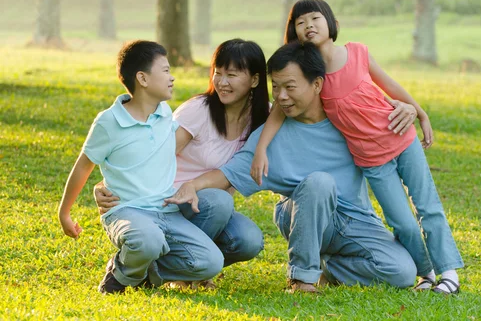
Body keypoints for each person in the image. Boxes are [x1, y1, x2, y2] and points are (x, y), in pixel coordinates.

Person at [164, 41, 418, 294]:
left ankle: (329, 269)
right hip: (300, 212)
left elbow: (379, 107)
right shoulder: (267, 136)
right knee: (319, 182)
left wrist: (409, 108)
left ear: (317, 84)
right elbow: (229, 172)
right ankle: (302, 279)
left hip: (354, 219)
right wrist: (193, 185)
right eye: (276, 87)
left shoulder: (346, 119)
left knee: (402, 272)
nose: (282, 96)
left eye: (290, 87)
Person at [250, 0, 463, 294]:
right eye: (300, 22)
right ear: (294, 33)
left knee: (428, 207)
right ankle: (426, 274)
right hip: (371, 160)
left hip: (401, 139)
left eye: (315, 18)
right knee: (402, 222)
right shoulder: (311, 77)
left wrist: (419, 112)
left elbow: (390, 85)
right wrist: (260, 149)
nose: (309, 25)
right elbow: (277, 112)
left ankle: (449, 275)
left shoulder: (357, 53)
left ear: (332, 23)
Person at [93, 39, 269, 286]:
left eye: (232, 74)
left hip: (209, 208)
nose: (222, 82)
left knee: (249, 240)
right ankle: (168, 264)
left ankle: (159, 269)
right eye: (218, 73)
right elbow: (148, 154)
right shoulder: (199, 110)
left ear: (254, 80)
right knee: (220, 200)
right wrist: (105, 184)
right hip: (169, 202)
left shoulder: (263, 119)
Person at [58, 40, 223, 294]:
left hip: (166, 211)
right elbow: (83, 166)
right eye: (166, 70)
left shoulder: (165, 113)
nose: (173, 77)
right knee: (148, 239)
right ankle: (121, 274)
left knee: (211, 263)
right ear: (143, 79)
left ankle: (146, 270)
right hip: (126, 211)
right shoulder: (109, 121)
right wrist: (64, 213)